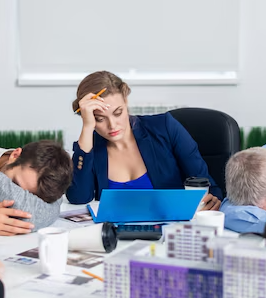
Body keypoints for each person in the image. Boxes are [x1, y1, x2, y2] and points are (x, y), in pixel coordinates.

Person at [65, 71, 222, 209]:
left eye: (118, 113)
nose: (112, 125)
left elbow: (209, 186)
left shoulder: (165, 128)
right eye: (99, 119)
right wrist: (86, 128)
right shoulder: (91, 148)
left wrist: (212, 201)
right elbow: (78, 197)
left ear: (126, 103)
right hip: (116, 235)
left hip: (169, 229)